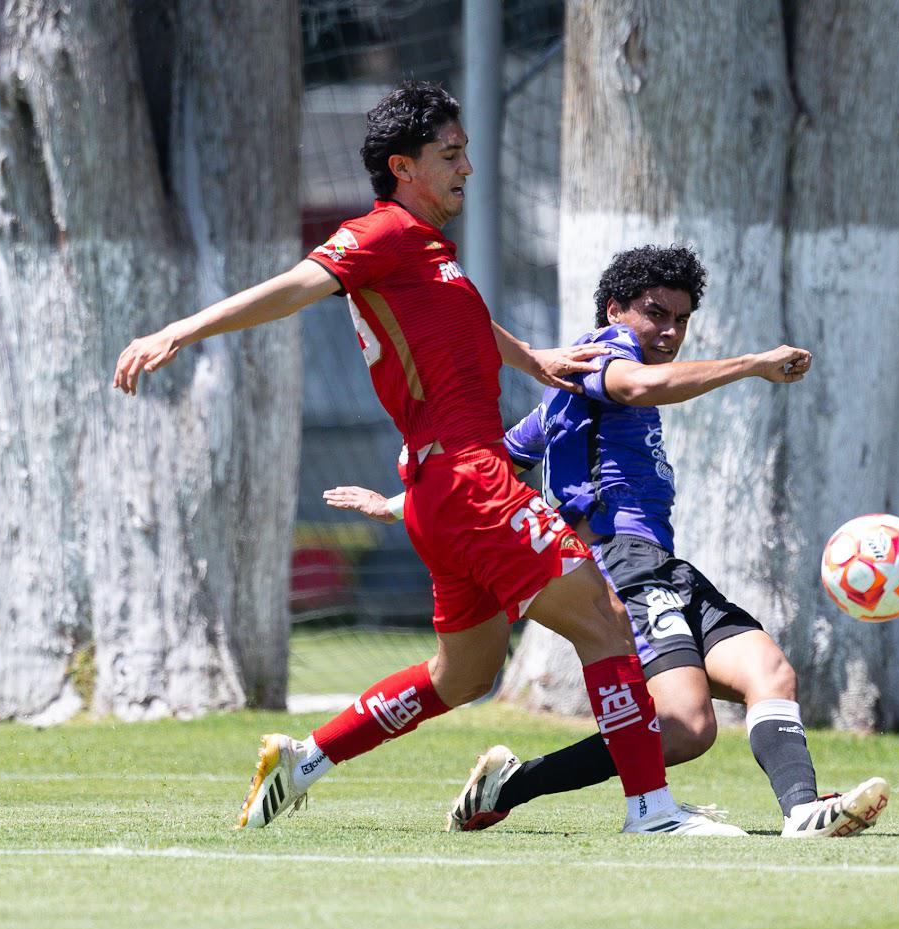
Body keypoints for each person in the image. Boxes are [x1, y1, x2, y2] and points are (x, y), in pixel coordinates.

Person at [112, 82, 738, 836]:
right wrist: (179, 331)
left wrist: (531, 357)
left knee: (464, 674)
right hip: (472, 480)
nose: (466, 167)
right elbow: (292, 288)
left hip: (443, 487)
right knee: (604, 620)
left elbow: (465, 310)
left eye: (465, 151)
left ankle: (303, 760)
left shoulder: (430, 255)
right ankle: (652, 810)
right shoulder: (379, 235)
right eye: (451, 154)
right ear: (403, 167)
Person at [326, 246, 890, 839]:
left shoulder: (565, 397)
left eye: (682, 319)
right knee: (686, 728)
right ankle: (513, 786)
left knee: (769, 672)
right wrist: (752, 364)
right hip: (620, 565)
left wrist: (396, 505)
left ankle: (802, 812)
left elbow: (500, 460)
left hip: (663, 567)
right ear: (616, 310)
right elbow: (638, 386)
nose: (670, 331)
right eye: (656, 313)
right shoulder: (606, 354)